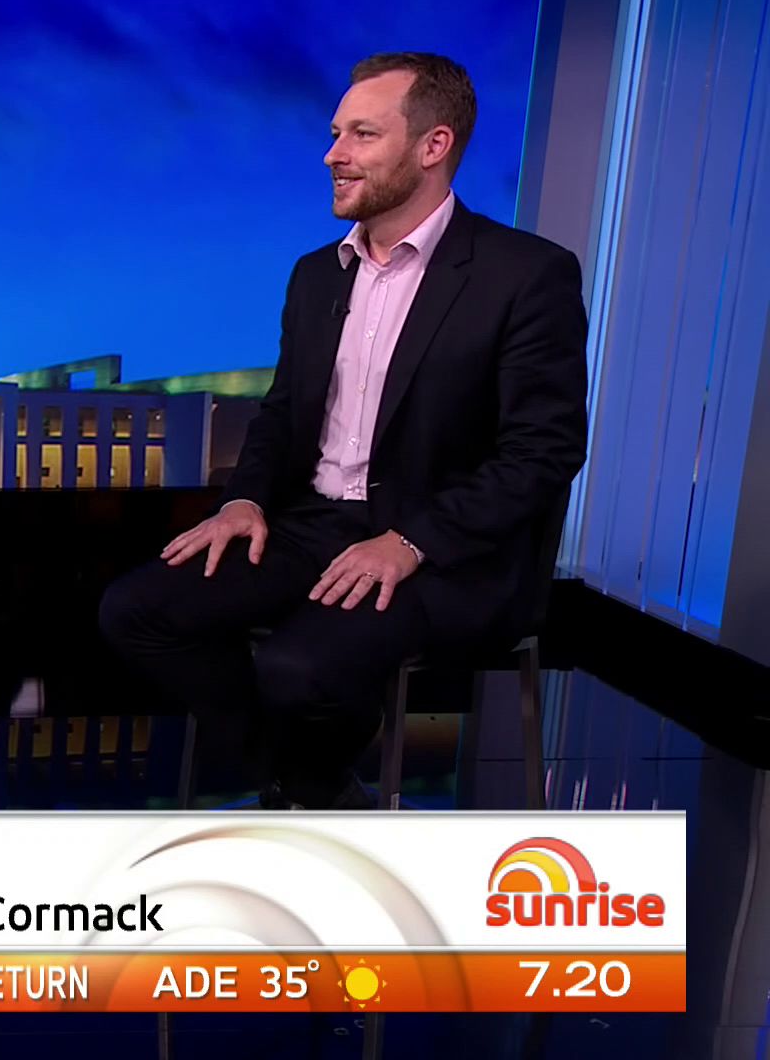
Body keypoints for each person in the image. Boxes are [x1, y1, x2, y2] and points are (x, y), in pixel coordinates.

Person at [98, 53, 587, 809]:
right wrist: (244, 500)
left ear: (433, 146)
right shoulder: (315, 276)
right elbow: (281, 411)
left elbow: (543, 451)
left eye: (362, 134)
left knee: (298, 667)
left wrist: (411, 541)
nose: (333, 154)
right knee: (136, 611)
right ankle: (310, 785)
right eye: (335, 134)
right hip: (314, 524)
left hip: (443, 549)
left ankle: (303, 794)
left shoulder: (525, 274)